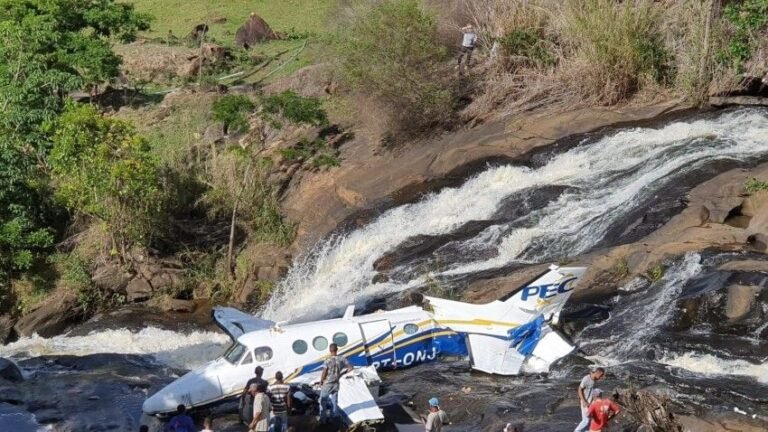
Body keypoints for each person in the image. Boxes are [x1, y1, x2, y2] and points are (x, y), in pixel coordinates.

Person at [318, 343, 353, 421]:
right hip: (336, 383)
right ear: (337, 349)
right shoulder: (342, 358)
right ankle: (333, 417)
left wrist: (321, 381)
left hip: (328, 383)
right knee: (334, 401)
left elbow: (324, 371)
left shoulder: (327, 360)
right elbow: (350, 367)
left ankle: (323, 419)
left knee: (322, 400)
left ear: (330, 350)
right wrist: (342, 374)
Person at [574, 367, 606, 432]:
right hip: (585, 402)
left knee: (590, 420)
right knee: (586, 420)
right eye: (601, 375)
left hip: (590, 403)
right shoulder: (586, 378)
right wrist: (583, 401)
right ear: (597, 373)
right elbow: (579, 389)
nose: (601, 377)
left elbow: (592, 391)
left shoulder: (594, 380)